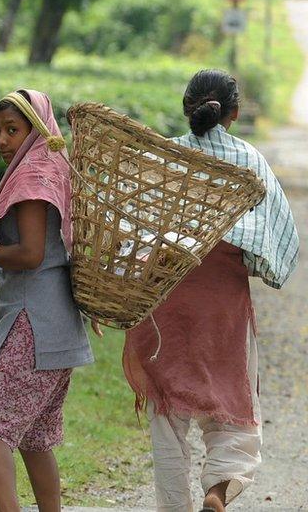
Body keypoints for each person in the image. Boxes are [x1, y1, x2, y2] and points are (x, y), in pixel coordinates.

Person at [123, 69, 299, 512]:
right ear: (235, 113)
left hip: (162, 301)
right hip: (222, 303)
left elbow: (130, 231)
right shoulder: (249, 161)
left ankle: (175, 506)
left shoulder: (165, 160)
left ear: (187, 110)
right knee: (233, 409)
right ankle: (219, 488)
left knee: (168, 417)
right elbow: (276, 243)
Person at [0, 89, 97, 511]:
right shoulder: (50, 169)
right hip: (54, 322)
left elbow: (30, 256)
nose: (2, 140)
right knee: (34, 437)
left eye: (13, 130)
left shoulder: (32, 180)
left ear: (37, 129)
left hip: (35, 323)